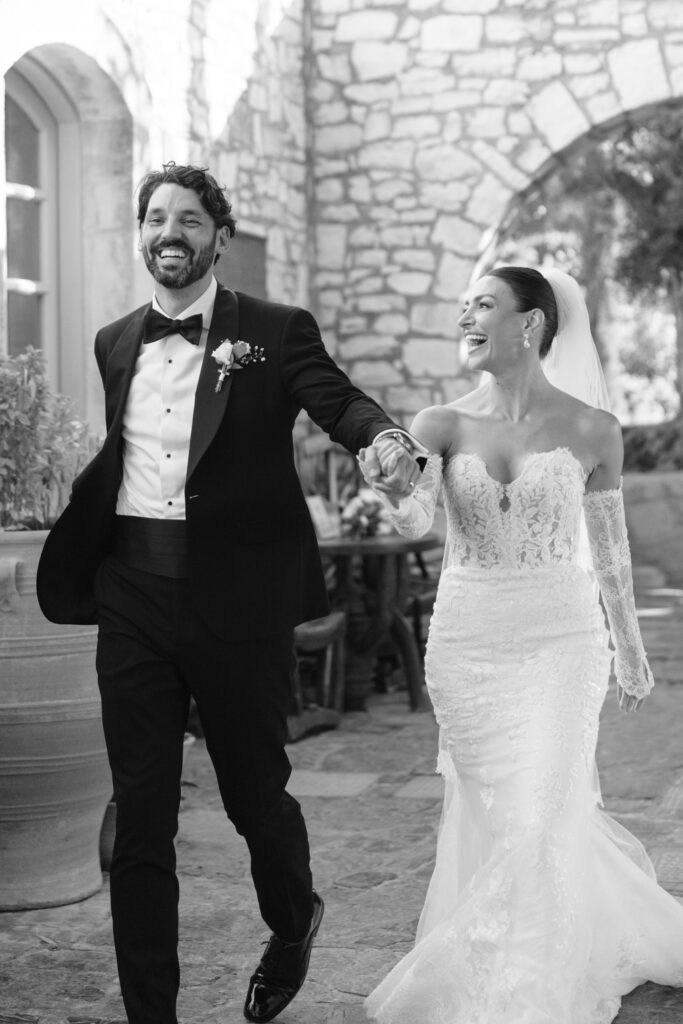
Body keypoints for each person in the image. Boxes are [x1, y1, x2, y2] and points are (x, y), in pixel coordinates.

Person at [36, 162, 423, 1024]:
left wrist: (384, 439)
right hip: (131, 594)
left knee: (255, 798)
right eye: (153, 218)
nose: (166, 233)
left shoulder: (275, 331)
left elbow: (339, 402)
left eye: (185, 219)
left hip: (236, 602)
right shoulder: (112, 341)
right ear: (141, 233)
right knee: (141, 820)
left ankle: (293, 921)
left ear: (219, 235)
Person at [359, 266, 683, 1023]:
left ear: (530, 324)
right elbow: (417, 526)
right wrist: (393, 488)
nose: (464, 317)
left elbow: (608, 553)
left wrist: (628, 651)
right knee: (506, 815)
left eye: (482, 305)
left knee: (539, 813)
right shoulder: (437, 423)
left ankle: (523, 986)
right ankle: (526, 949)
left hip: (562, 642)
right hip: (466, 645)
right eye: (463, 306)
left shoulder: (592, 430)